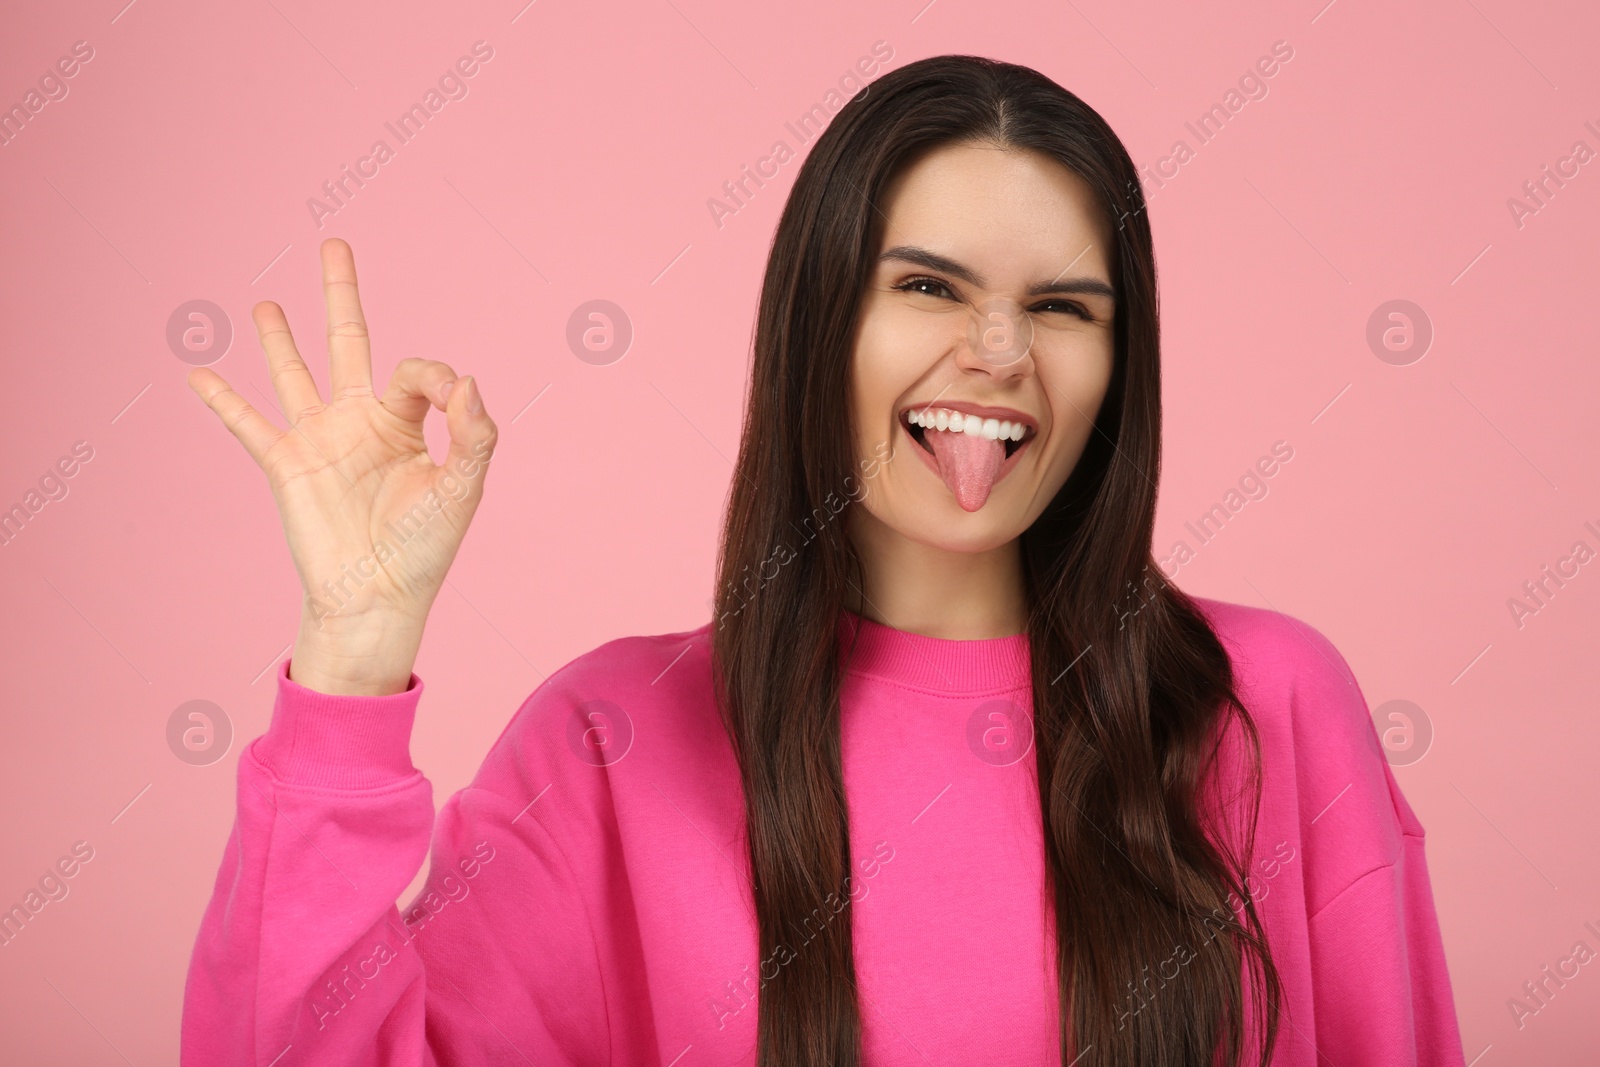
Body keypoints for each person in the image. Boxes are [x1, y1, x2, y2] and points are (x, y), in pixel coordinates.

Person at [180, 54, 1466, 1066]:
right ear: (818, 320)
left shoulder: (1269, 700)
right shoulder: (607, 740)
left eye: (1065, 307)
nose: (1000, 351)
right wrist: (350, 654)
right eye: (924, 287)